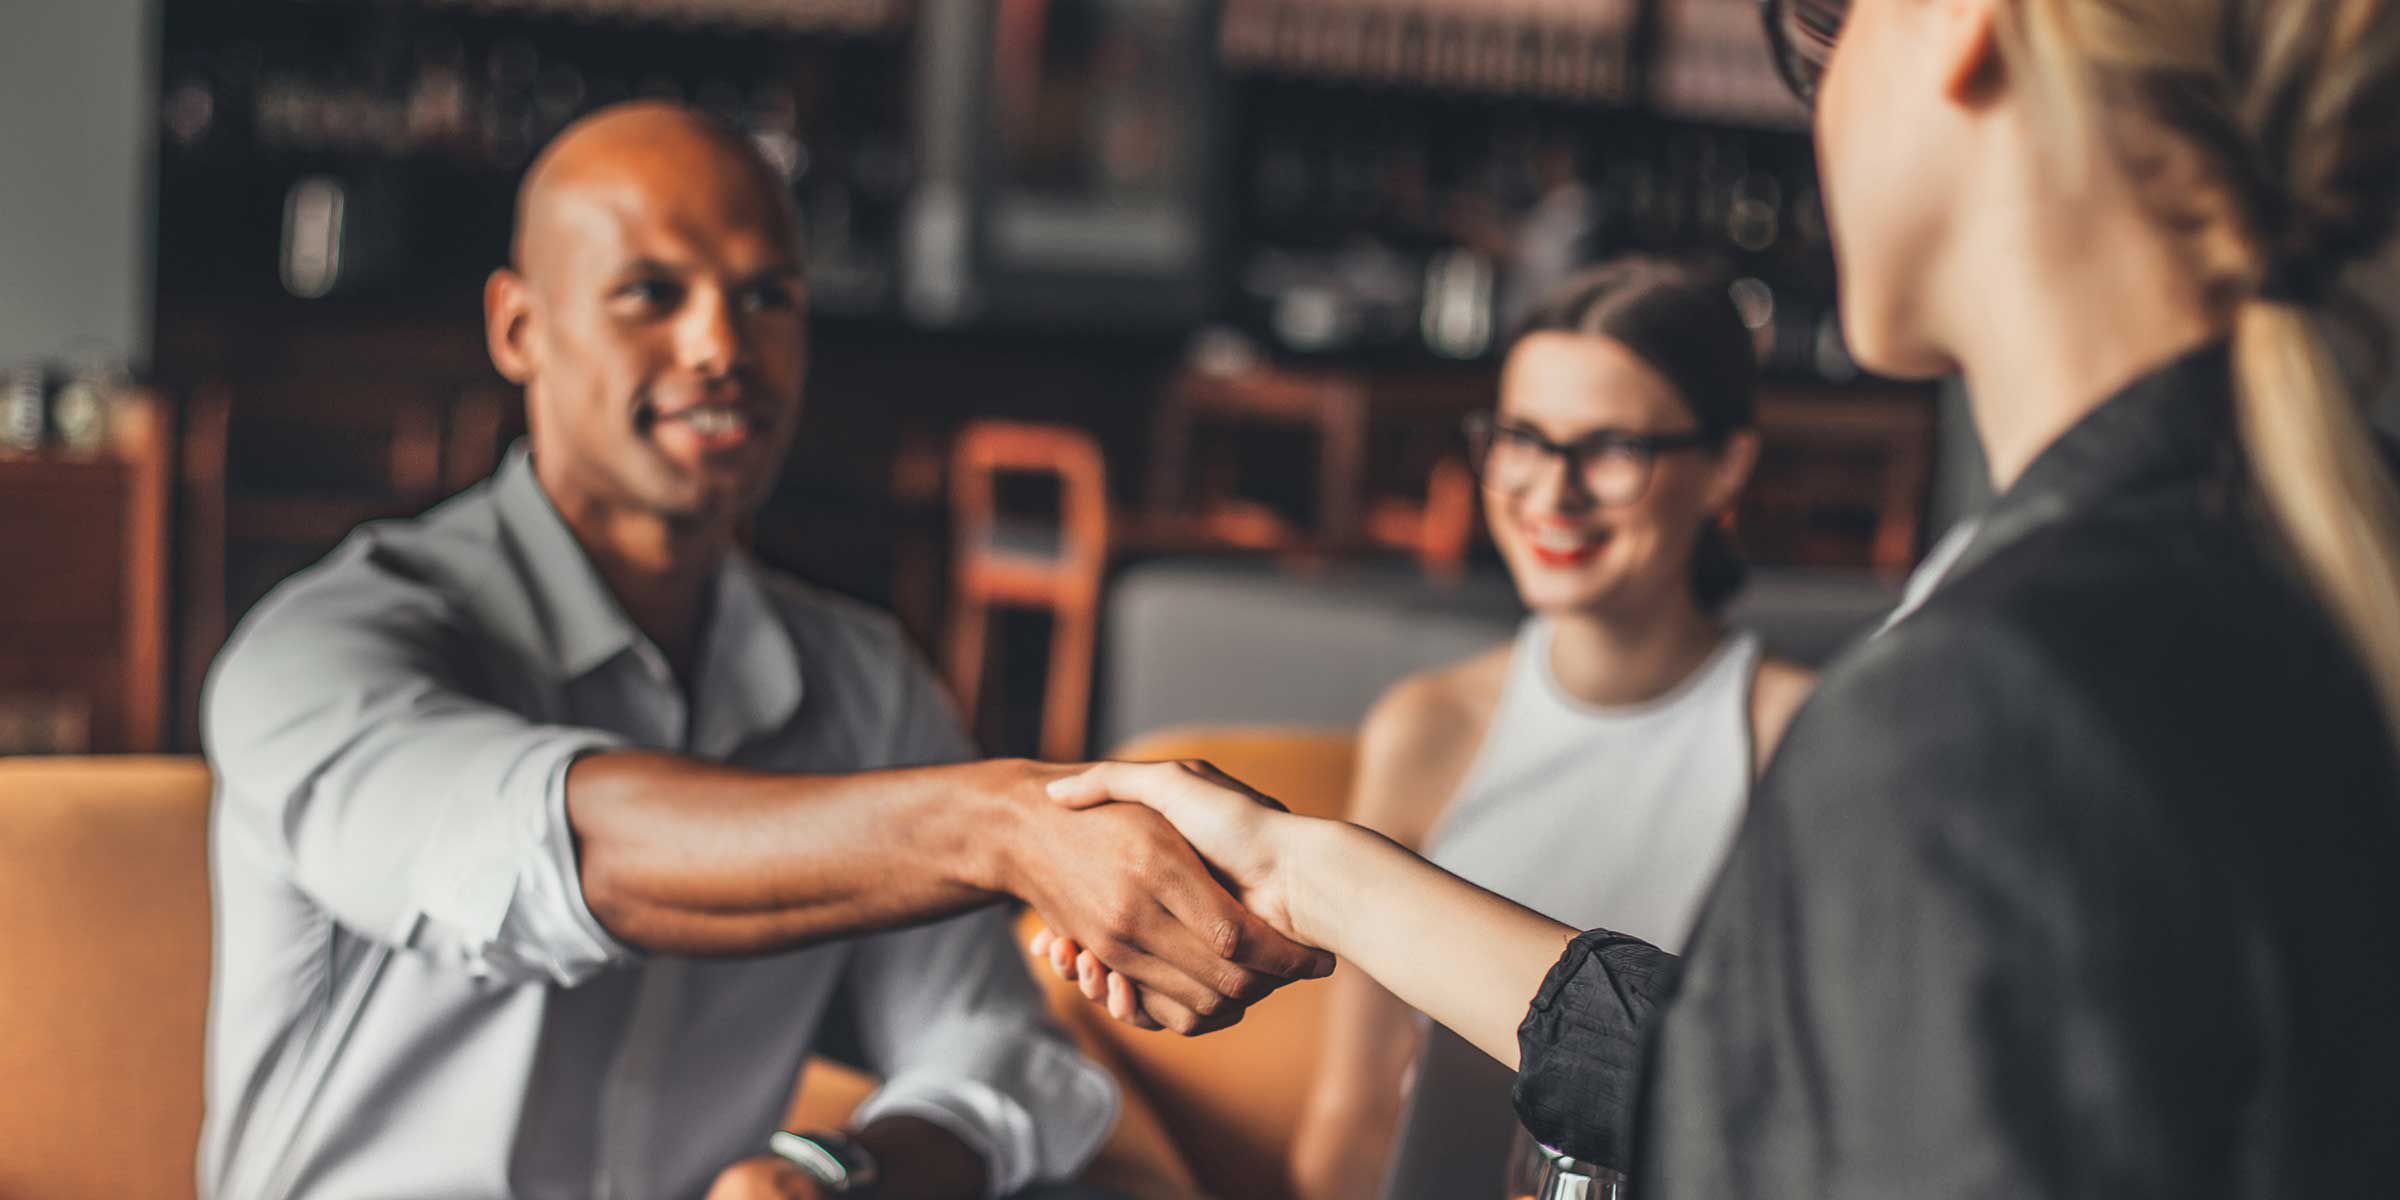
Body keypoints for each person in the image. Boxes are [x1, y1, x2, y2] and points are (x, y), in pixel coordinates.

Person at [1042, 0, 2400, 1191]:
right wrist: (1303, 869)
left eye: (1827, 21)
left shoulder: (1991, 693)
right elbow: (1789, 1088)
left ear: (1962, 18)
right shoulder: (2253, 570)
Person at [198, 101, 1326, 1200]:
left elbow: (1004, 1053)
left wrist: (845, 1173)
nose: (722, 346)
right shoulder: (320, 649)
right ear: (519, 329)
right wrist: (998, 824)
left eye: (767, 297)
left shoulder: (863, 681)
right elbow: (544, 856)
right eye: (652, 293)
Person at [1038, 259, 1814, 1200]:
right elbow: (1358, 1113)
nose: (1549, 492)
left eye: (1610, 446)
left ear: (1726, 465)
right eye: (1523, 438)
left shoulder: (1805, 738)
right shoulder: (1430, 724)